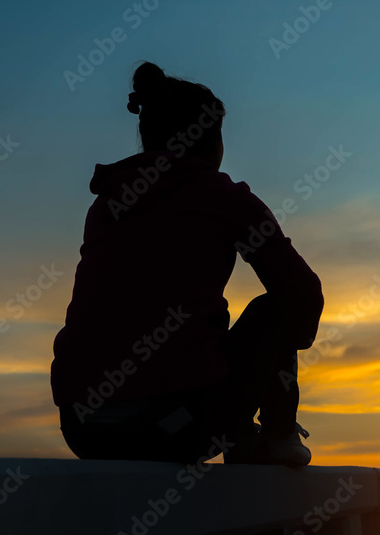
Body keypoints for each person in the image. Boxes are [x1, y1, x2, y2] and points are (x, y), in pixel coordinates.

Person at [50, 62, 323, 466]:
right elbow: (301, 295)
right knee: (276, 307)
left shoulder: (106, 204)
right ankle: (279, 437)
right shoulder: (222, 195)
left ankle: (242, 434)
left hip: (83, 430)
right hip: (171, 431)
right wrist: (277, 354)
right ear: (211, 140)